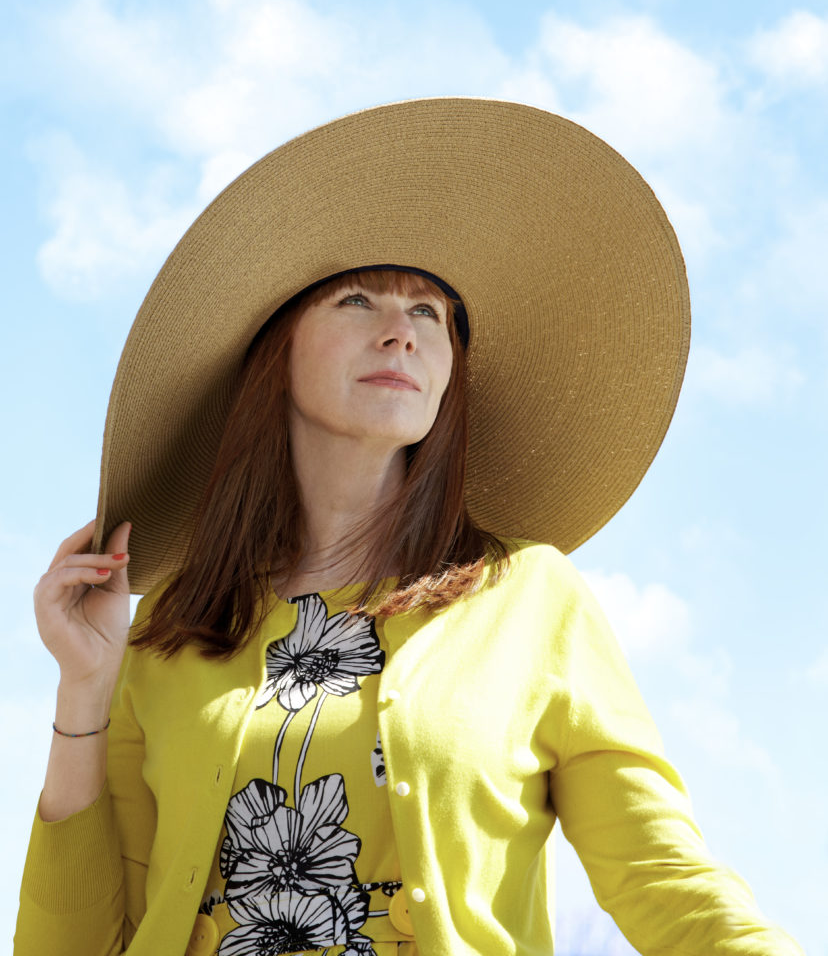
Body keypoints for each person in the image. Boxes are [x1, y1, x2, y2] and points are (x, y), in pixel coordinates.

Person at [15, 98, 803, 956]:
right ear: (275, 355)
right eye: (359, 301)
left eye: (430, 315)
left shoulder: (533, 600)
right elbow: (79, 941)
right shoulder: (173, 623)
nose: (401, 334)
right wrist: (85, 691)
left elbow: (659, 877)